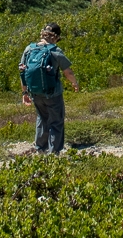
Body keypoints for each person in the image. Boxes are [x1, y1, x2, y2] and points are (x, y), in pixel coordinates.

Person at [20, 22, 79, 155]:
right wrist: (74, 83)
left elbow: (23, 72)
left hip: (35, 93)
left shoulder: (29, 49)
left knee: (42, 118)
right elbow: (67, 72)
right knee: (56, 121)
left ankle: (40, 148)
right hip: (53, 93)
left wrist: (25, 92)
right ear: (56, 37)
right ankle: (54, 153)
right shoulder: (55, 51)